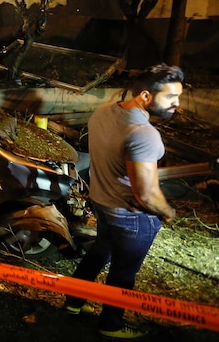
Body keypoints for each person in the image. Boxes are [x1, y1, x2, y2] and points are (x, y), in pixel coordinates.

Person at [63, 64, 182, 340]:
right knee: (123, 273)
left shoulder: (103, 111)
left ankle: (74, 302)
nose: (177, 104)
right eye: (170, 97)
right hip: (130, 216)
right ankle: (111, 324)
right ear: (145, 96)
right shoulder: (145, 134)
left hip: (102, 202)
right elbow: (147, 195)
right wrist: (167, 212)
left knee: (97, 254)